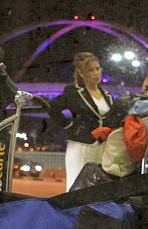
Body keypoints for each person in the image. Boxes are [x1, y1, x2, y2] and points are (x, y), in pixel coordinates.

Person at [48, 52, 114, 190]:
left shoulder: (107, 95)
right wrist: (70, 125)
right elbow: (52, 108)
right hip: (81, 145)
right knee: (76, 186)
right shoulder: (73, 92)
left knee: (98, 186)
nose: (96, 73)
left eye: (98, 68)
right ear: (82, 73)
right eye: (91, 70)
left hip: (102, 146)